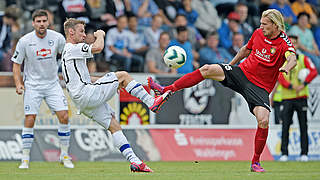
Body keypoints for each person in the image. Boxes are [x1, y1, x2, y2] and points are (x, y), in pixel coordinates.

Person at [148, 9, 297, 172]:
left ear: (275, 25)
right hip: (242, 73)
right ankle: (165, 90)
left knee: (263, 120)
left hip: (259, 87)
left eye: (264, 24)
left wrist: (286, 68)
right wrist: (230, 67)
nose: (261, 26)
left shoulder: (284, 43)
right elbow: (244, 51)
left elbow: (292, 58)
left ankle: (255, 162)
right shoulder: (258, 33)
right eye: (260, 23)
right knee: (207, 69)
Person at [61, 18, 171, 172]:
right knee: (124, 75)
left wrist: (111, 83)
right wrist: (100, 35)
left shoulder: (69, 52)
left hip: (82, 100)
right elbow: (98, 48)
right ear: (71, 32)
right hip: (87, 94)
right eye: (81, 31)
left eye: (85, 32)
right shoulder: (72, 48)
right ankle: (151, 101)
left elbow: (85, 78)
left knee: (114, 126)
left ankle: (135, 162)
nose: (85, 35)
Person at [11, 10, 74, 169]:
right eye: (38, 21)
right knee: (30, 119)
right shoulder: (25, 41)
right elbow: (16, 64)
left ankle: (64, 155)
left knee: (64, 116)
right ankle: (25, 158)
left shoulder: (57, 38)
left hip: (52, 84)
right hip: (33, 85)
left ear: (48, 22)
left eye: (44, 21)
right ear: (33, 23)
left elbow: (68, 55)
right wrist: (18, 84)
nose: (41, 24)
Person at [278, 35, 318, 162]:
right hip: (287, 97)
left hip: (301, 97)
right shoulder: (282, 60)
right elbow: (279, 76)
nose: (293, 46)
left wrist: (303, 84)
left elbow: (313, 72)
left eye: (295, 43)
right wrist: (290, 86)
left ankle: (304, 154)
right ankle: (284, 153)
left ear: (298, 44)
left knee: (303, 126)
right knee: (285, 126)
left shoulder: (304, 59)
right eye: (291, 43)